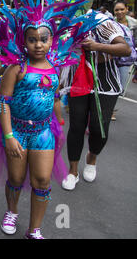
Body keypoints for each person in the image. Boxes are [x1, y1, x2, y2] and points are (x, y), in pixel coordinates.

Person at [0, 0, 102, 239]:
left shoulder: (55, 67)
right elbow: (3, 102)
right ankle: (12, 211)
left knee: (42, 180)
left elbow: (55, 97)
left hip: (44, 132)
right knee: (17, 179)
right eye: (32, 40)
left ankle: (35, 229)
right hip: (17, 131)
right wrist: (8, 136)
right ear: (24, 41)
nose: (38, 44)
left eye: (43, 39)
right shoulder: (17, 68)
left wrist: (59, 121)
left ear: (51, 40)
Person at [60, 10, 131, 191]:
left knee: (99, 129)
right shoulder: (68, 22)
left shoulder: (100, 21)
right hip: (79, 80)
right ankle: (73, 171)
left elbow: (125, 49)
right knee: (76, 126)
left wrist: (96, 46)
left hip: (104, 82)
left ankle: (92, 157)